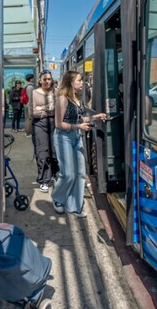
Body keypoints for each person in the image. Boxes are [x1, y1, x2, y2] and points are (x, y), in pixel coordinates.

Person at [51, 71, 106, 217]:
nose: (82, 83)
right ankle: (57, 198)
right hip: (64, 137)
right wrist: (78, 127)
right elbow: (58, 124)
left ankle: (74, 206)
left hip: (76, 136)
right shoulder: (62, 99)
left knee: (80, 173)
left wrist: (95, 117)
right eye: (80, 80)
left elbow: (79, 118)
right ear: (71, 82)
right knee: (68, 174)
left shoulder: (76, 98)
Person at [32, 70, 57, 193]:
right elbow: (33, 112)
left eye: (49, 79)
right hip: (39, 125)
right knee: (42, 153)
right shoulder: (34, 93)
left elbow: (58, 109)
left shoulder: (56, 92)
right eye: (45, 79)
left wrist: (40, 108)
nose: (47, 81)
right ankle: (44, 180)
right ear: (40, 80)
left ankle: (54, 175)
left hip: (54, 124)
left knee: (55, 152)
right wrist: (47, 108)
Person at [24, 73, 36, 138]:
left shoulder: (27, 86)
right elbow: (31, 98)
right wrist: (31, 110)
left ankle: (26, 132)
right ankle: (28, 133)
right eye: (33, 78)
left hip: (27, 104)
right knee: (29, 119)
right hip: (29, 105)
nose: (34, 79)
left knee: (27, 119)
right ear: (30, 79)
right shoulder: (30, 87)